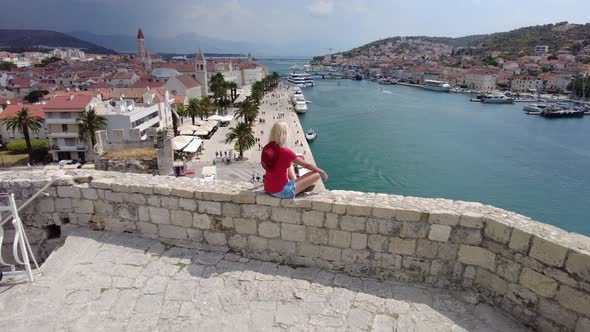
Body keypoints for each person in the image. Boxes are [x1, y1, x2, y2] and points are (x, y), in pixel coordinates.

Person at [261, 122, 327, 199]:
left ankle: (297, 184)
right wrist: (322, 171)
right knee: (316, 174)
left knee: (289, 163)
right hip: (282, 192)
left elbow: (264, 165)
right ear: (285, 134)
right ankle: (299, 189)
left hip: (268, 187)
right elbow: (306, 165)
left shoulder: (268, 148)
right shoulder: (286, 152)